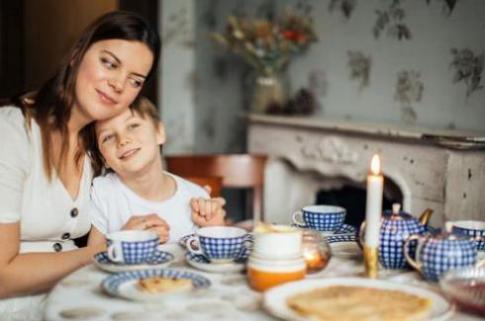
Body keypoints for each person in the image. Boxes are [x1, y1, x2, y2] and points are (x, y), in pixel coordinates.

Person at [0, 11, 161, 320]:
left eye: (135, 80)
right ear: (77, 55)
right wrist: (101, 253)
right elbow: (2, 278)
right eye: (110, 63)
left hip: (75, 301)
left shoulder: (99, 145)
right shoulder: (11, 132)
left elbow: (144, 186)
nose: (118, 84)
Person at [86, 98, 226, 245]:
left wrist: (216, 229)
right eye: (108, 137)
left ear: (159, 132)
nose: (122, 140)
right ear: (103, 158)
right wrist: (125, 239)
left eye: (133, 125)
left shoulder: (197, 198)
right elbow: (91, 260)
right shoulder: (103, 193)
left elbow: (217, 259)